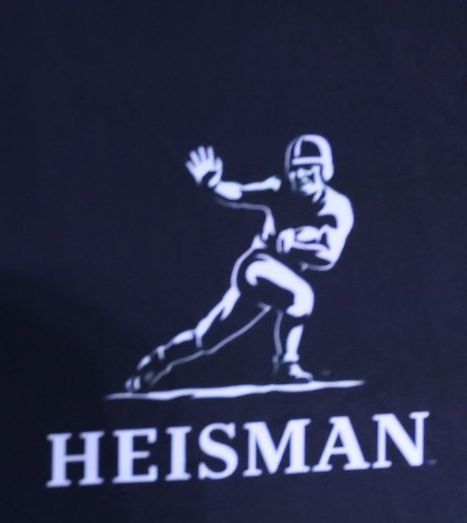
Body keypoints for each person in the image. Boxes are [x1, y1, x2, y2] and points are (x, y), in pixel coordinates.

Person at [125, 135, 355, 392]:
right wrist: (212, 183)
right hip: (257, 266)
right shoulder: (279, 189)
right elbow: (240, 193)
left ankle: (158, 360)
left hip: (282, 277)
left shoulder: (337, 207)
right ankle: (287, 364)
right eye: (296, 168)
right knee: (302, 297)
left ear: (325, 168)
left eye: (309, 167)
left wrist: (296, 244)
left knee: (206, 339)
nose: (301, 174)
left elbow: (328, 256)